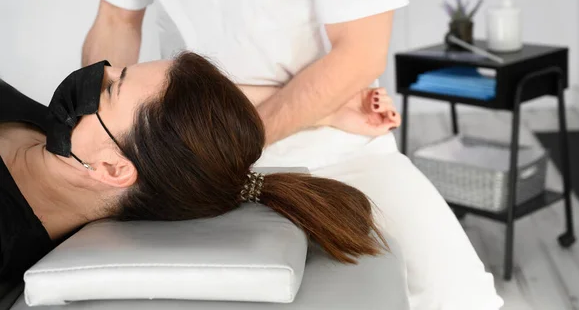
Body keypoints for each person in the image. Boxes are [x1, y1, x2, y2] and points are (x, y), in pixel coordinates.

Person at [81, 0, 504, 308]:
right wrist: (93, 136)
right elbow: (116, 20)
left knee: (460, 293)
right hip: (188, 151)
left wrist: (226, 144)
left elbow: (360, 53)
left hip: (335, 151)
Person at [0, 52, 398, 285]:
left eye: (110, 88)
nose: (99, 70)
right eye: (119, 70)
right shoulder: (54, 137)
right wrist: (324, 108)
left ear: (113, 169)